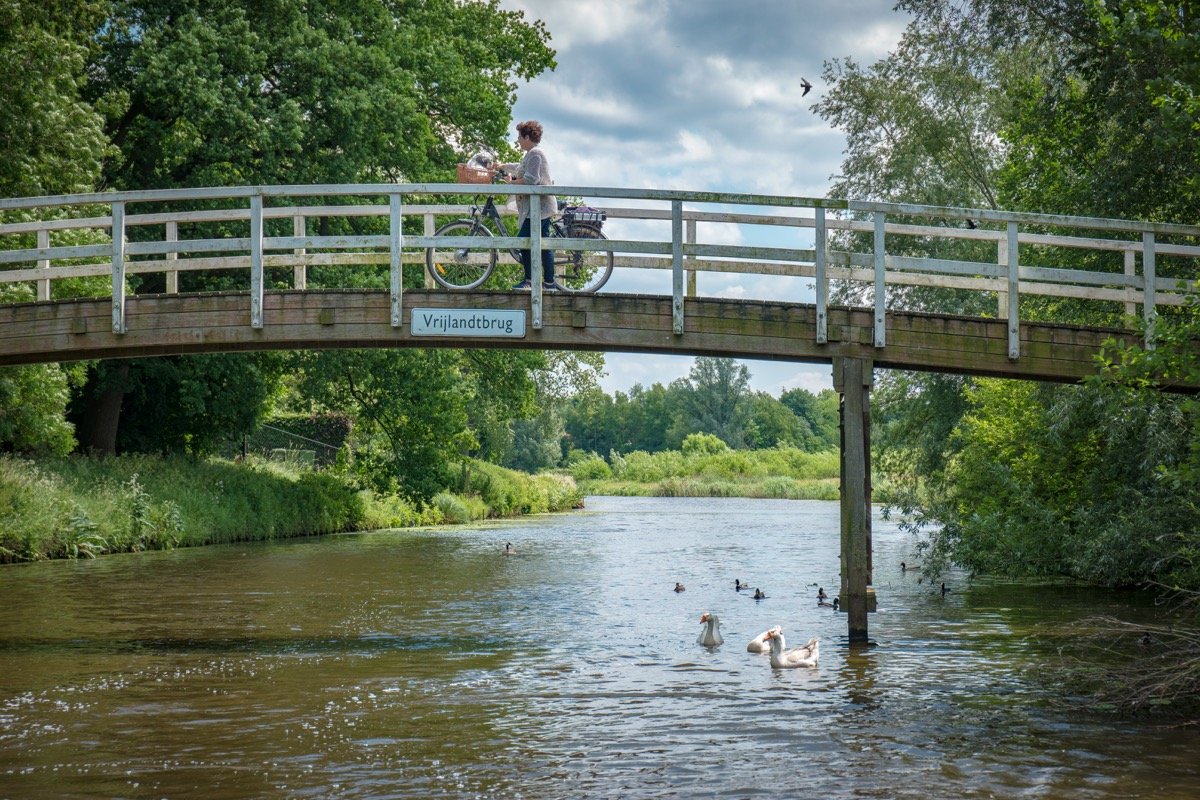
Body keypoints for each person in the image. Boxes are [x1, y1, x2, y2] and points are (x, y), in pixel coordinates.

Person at [501, 120, 559, 290]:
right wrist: (502, 166)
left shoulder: (535, 154)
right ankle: (548, 282)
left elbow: (531, 179)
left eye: (520, 137)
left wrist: (511, 182)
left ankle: (531, 281)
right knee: (542, 243)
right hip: (537, 208)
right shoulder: (531, 154)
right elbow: (520, 167)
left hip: (540, 208)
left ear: (527, 137)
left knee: (524, 242)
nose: (518, 140)